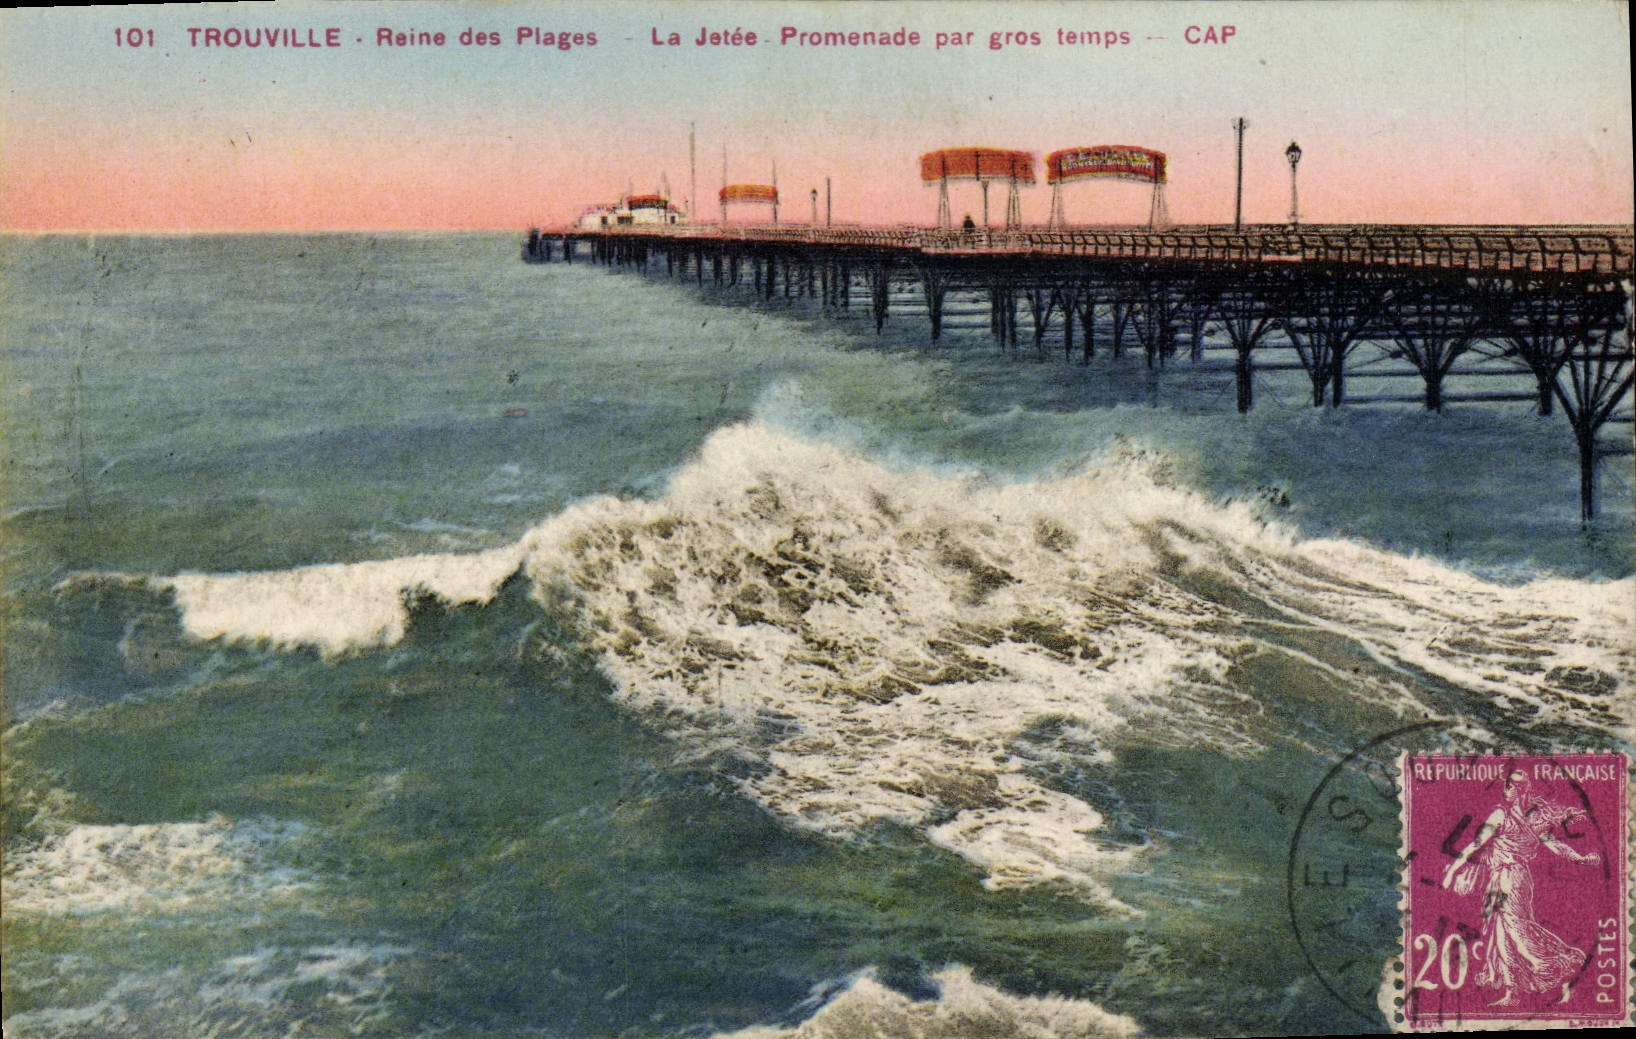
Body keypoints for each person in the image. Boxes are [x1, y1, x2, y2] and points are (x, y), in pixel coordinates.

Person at [1440, 770, 1601, 1006]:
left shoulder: (1506, 815)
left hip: (1510, 878)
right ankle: (1512, 991)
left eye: (1509, 786)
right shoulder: (1530, 820)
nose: (1505, 790)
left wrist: (1452, 872)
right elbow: (1556, 846)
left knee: (1514, 928)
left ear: (1518, 790)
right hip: (1507, 878)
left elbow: (1475, 845)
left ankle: (1549, 964)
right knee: (1501, 931)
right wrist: (1581, 858)